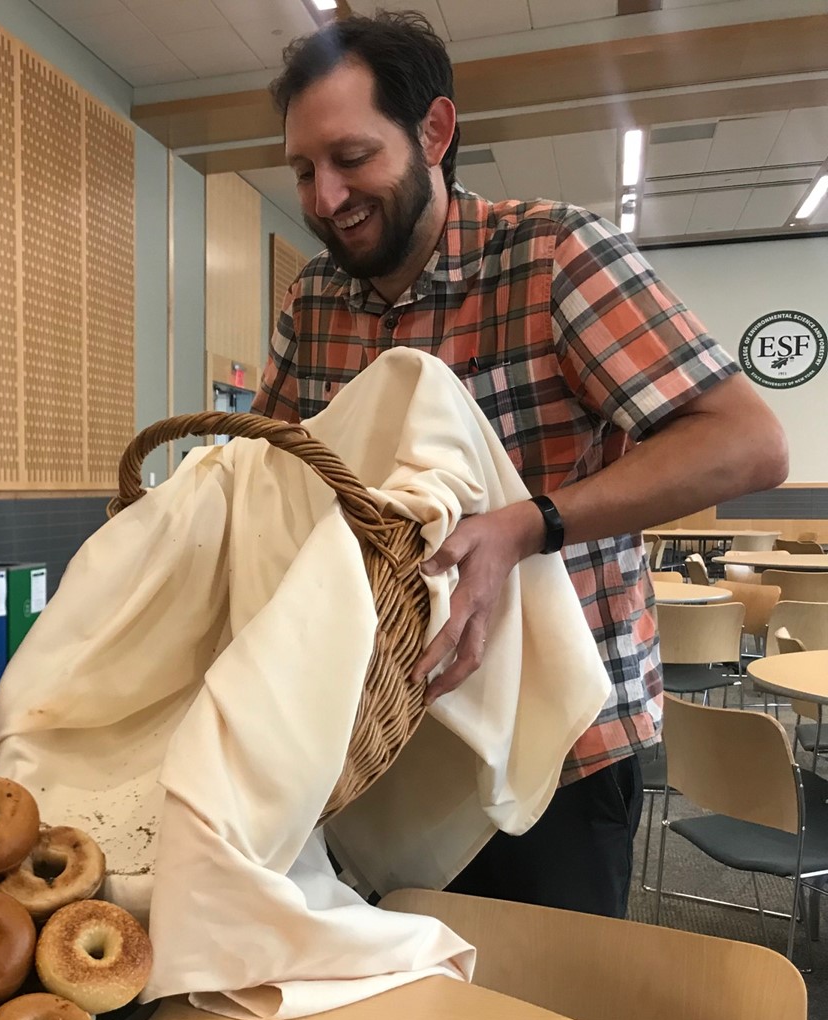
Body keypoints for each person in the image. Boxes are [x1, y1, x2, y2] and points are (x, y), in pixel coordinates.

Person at [256, 12, 788, 917]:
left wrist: (525, 524)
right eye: (303, 169)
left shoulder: (551, 256)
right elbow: (266, 479)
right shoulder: (316, 299)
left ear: (435, 132)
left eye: (351, 157)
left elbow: (748, 441)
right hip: (384, 745)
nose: (323, 195)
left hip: (555, 754)